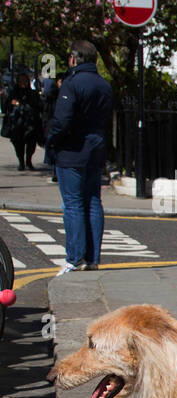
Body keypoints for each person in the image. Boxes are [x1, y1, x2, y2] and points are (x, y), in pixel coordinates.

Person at [46, 41, 113, 275]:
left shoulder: (72, 84)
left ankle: (74, 259)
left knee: (73, 204)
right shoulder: (104, 85)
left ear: (74, 58)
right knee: (93, 200)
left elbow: (62, 121)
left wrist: (52, 140)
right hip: (96, 148)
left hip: (72, 151)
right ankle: (93, 258)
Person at [4, 72, 42, 170]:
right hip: (17, 124)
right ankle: (21, 162)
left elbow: (37, 106)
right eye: (21, 81)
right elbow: (7, 106)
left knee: (31, 144)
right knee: (18, 144)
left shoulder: (33, 93)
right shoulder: (13, 93)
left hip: (31, 123)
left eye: (25, 81)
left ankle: (29, 160)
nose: (23, 83)